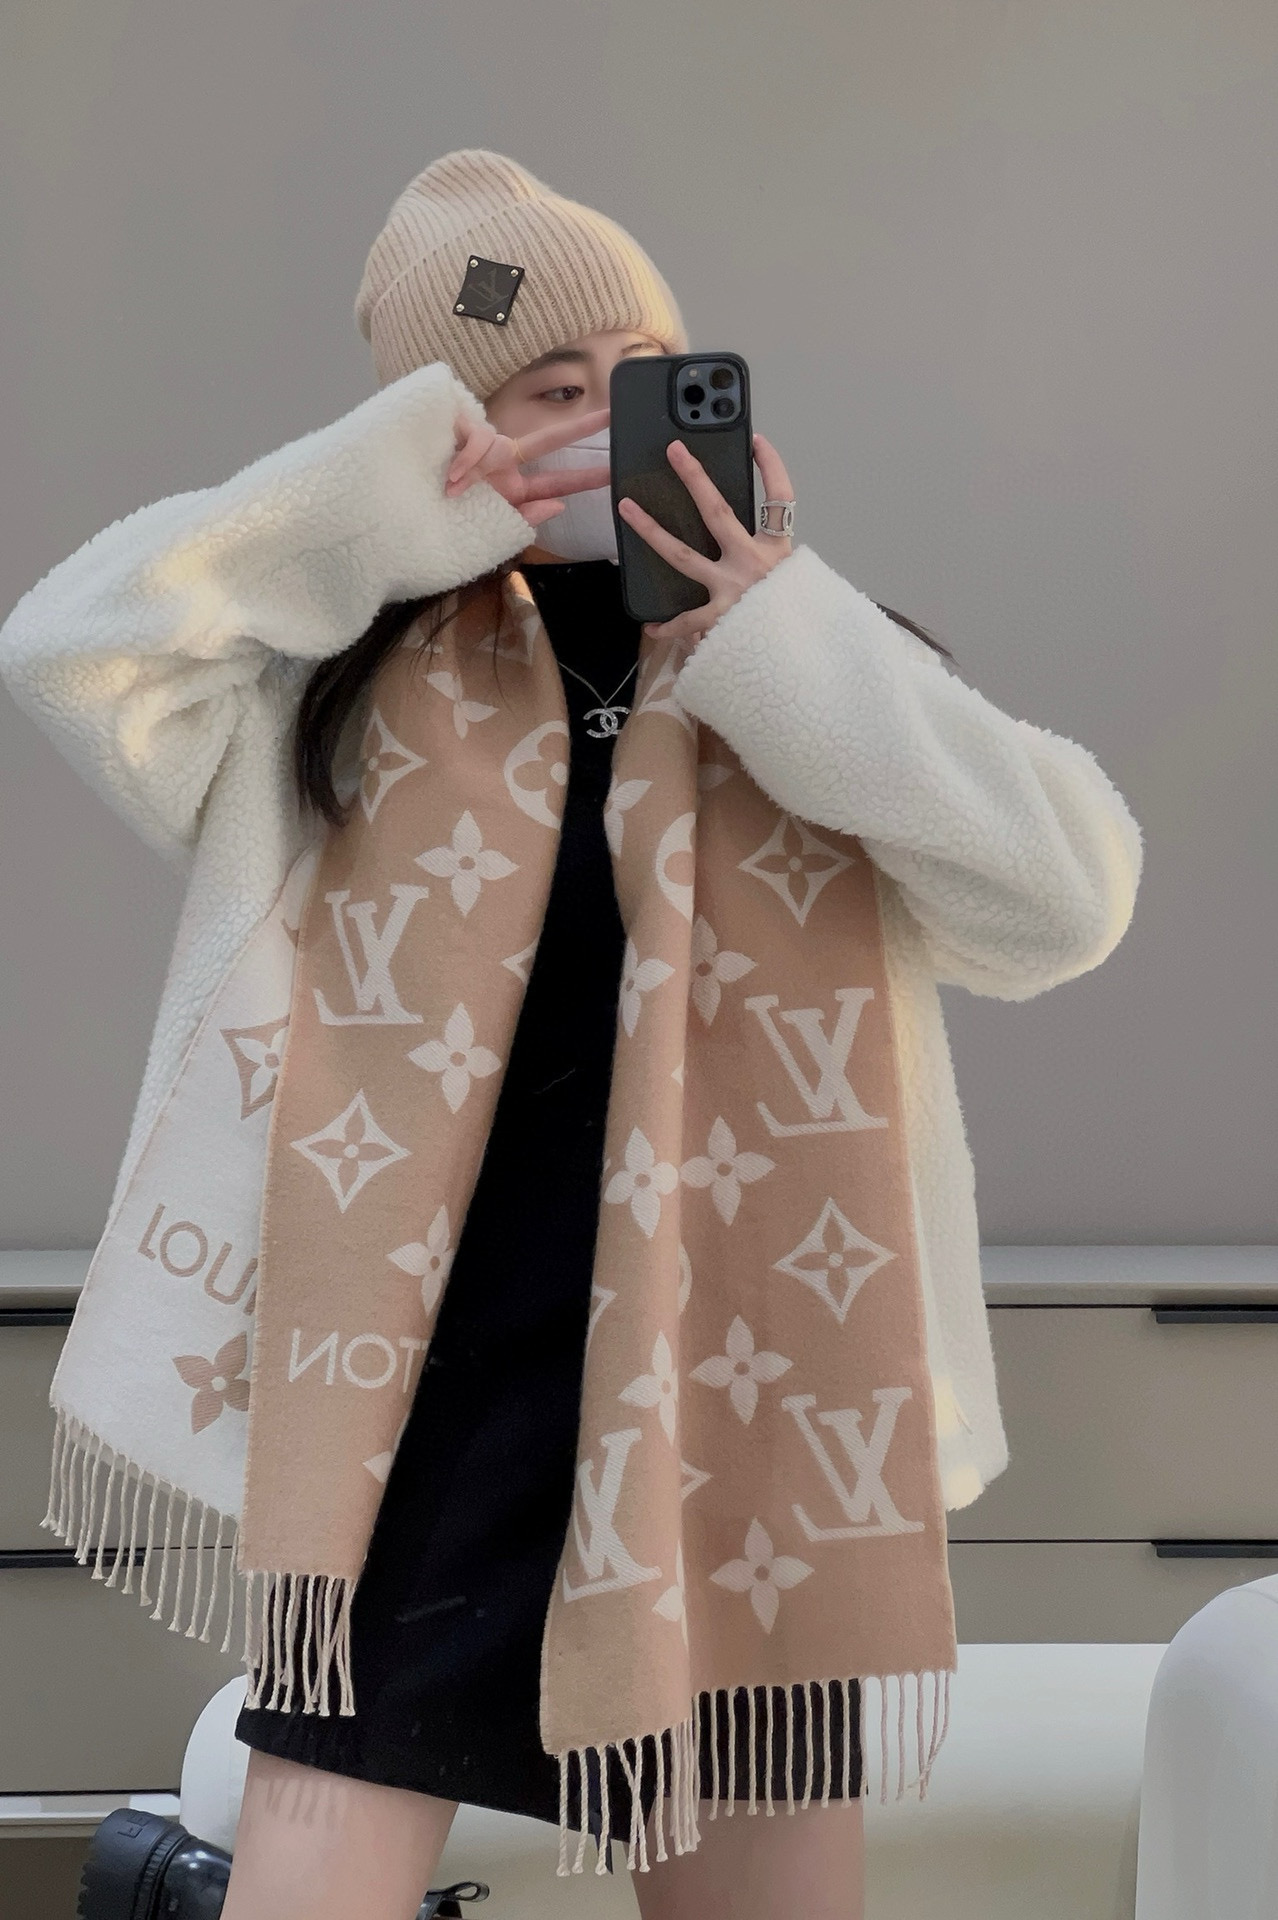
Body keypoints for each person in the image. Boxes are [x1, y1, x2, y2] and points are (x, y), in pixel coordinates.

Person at [0, 149, 1143, 1920]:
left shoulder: (805, 666)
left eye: (645, 373)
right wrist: (377, 505)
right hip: (413, 1405)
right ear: (444, 431)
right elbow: (69, 646)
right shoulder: (326, 694)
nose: (611, 418)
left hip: (736, 1400)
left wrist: (780, 625)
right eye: (548, 388)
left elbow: (1063, 900)